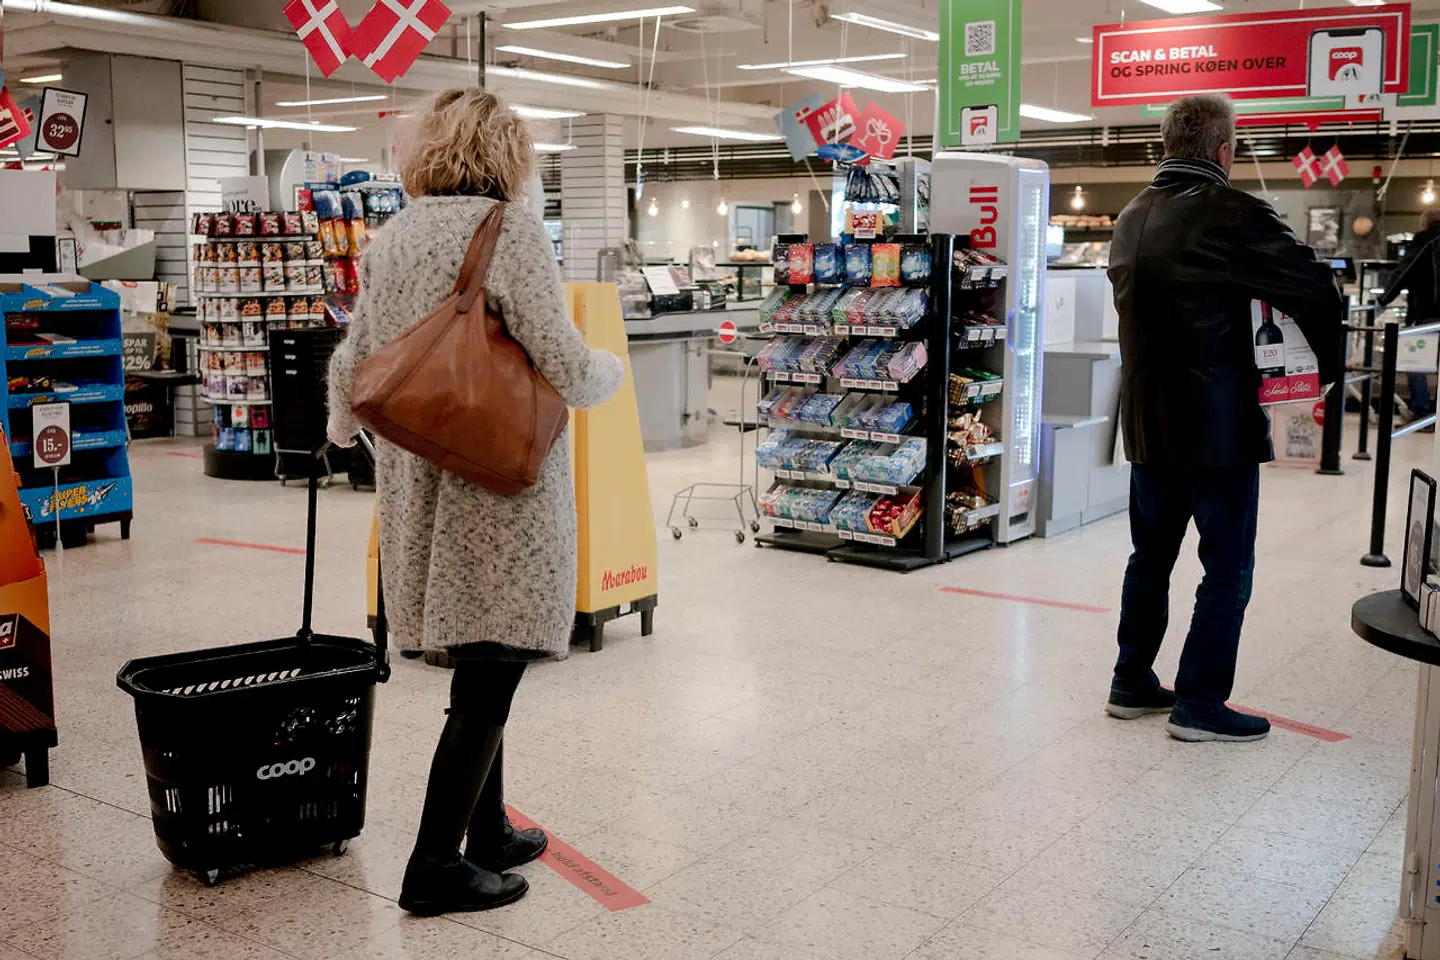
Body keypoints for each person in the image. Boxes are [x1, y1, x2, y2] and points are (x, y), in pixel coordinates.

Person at [325, 88, 625, 915]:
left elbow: (356, 356)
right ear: (505, 154)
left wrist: (341, 424)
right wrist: (610, 371)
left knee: (477, 652)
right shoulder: (510, 229)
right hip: (498, 481)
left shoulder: (393, 235)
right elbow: (559, 356)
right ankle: (433, 866)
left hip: (424, 472)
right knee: (491, 674)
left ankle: (487, 830)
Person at [1105, 94, 1344, 742]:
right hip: (1218, 429)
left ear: (1166, 145)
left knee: (1149, 558)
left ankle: (1131, 680)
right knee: (1226, 567)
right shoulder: (1232, 213)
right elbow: (1315, 287)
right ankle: (1200, 704)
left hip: (1147, 424)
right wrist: (1327, 374)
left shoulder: (1129, 216)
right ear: (1223, 150)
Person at [1378, 210, 1440, 427]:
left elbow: (1404, 272)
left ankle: (1422, 415)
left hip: (1427, 315)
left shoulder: (1425, 241)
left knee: (1416, 365)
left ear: (1424, 223)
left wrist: (1384, 299)